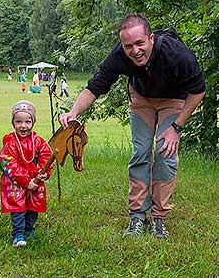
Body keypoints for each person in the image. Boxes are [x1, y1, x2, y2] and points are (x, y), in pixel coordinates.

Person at [59, 14, 205, 238]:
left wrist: (175, 128)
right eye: (128, 46)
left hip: (174, 99)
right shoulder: (119, 55)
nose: (135, 51)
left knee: (165, 153)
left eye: (140, 43)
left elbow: (198, 91)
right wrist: (74, 111)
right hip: (141, 99)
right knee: (141, 152)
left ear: (151, 38)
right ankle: (137, 216)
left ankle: (159, 217)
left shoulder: (175, 54)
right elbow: (96, 86)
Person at [0, 100, 53, 247]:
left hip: (35, 181)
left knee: (33, 206)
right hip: (16, 182)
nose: (23, 126)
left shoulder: (39, 141)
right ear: (13, 123)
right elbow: (8, 162)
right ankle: (18, 234)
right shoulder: (10, 142)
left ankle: (29, 229)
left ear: (33, 122)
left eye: (28, 121)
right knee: (18, 209)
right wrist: (25, 181)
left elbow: (47, 157)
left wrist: (44, 173)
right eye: (18, 122)